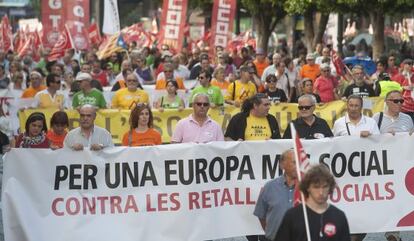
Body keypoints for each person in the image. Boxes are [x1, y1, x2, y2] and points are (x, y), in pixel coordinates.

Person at [274, 164, 351, 241]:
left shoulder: (339, 216)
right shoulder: (292, 216)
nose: (321, 192)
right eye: (316, 187)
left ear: (330, 187)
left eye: (325, 186)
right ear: (308, 188)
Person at [253, 149, 297, 241]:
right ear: (282, 165)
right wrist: (272, 233)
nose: (298, 166)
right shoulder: (270, 187)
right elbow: (261, 215)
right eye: (294, 162)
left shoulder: (308, 188)